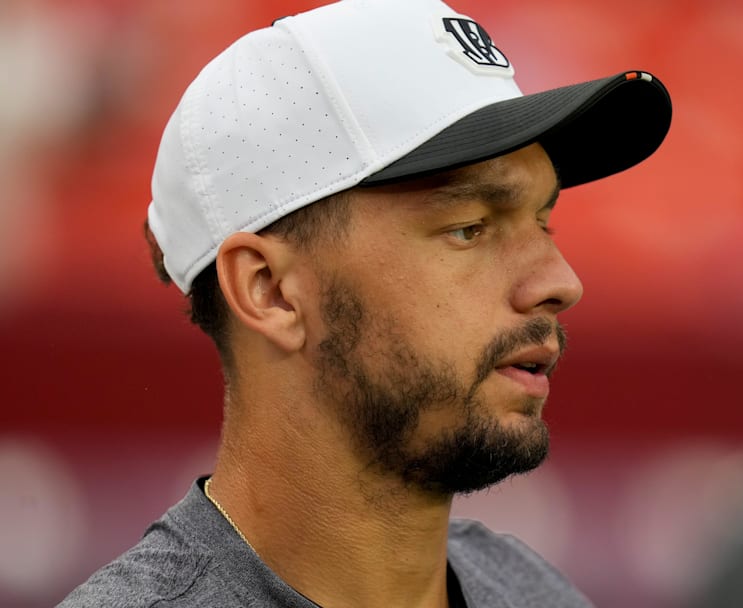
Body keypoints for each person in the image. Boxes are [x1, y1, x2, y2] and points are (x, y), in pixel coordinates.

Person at [60, 0, 671, 606]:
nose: (561, 281)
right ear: (270, 290)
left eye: (543, 222)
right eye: (469, 227)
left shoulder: (534, 595)